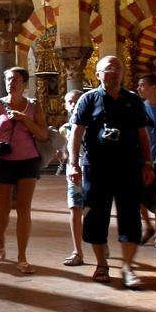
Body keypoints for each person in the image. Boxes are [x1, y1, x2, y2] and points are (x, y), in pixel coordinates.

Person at [67, 56, 156, 288]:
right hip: (96, 167)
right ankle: (101, 264)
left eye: (118, 68)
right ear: (97, 75)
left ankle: (128, 267)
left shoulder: (133, 100)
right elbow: (76, 134)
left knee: (129, 216)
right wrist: (73, 164)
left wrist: (147, 163)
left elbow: (142, 134)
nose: (115, 72)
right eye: (109, 69)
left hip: (128, 166)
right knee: (96, 216)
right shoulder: (88, 99)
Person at [0, 67, 48, 275]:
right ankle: (0, 238)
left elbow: (42, 135)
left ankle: (22, 256)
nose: (11, 83)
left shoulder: (34, 106)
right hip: (4, 161)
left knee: (24, 208)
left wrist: (25, 120)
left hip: (28, 161)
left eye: (15, 79)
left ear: (24, 83)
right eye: (7, 79)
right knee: (3, 207)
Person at [60, 89, 87, 266]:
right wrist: (61, 154)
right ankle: (77, 250)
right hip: (74, 172)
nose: (73, 104)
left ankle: (102, 242)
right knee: (75, 208)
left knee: (94, 209)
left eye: (77, 101)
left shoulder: (92, 124)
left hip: (93, 170)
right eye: (70, 101)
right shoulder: (64, 129)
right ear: (65, 106)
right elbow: (63, 152)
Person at [136, 74, 156, 248]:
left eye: (142, 85)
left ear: (154, 87)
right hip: (144, 159)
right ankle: (148, 226)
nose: (139, 88)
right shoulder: (140, 108)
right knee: (138, 196)